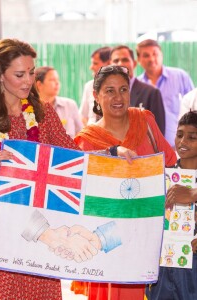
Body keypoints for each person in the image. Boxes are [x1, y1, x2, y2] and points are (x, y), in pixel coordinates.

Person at [0, 38, 99, 299]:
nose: (28, 80)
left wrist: (113, 154)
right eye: (19, 74)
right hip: (4, 227)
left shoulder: (42, 113)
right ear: (0, 76)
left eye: (31, 72)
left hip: (45, 229)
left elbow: (74, 158)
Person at [73, 65, 177, 300]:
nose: (117, 97)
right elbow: (80, 189)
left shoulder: (146, 121)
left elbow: (170, 166)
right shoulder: (87, 141)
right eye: (109, 91)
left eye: (123, 89)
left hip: (154, 235)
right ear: (96, 96)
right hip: (112, 244)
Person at [146, 110, 197, 299]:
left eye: (192, 137)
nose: (183, 142)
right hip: (163, 266)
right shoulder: (162, 176)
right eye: (179, 135)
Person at [136, 39, 194, 147]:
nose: (151, 59)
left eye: (155, 54)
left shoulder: (180, 76)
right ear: (138, 60)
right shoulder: (137, 87)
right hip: (149, 150)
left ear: (161, 55)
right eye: (146, 55)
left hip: (180, 147)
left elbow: (194, 108)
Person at [110, 45, 165, 135]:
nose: (120, 64)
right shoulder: (105, 94)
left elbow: (158, 134)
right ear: (110, 64)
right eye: (116, 61)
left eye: (125, 60)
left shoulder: (151, 93)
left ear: (134, 63)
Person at [35, 66, 83, 138]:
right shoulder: (29, 108)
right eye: (52, 80)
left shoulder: (70, 105)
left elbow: (81, 133)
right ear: (39, 85)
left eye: (58, 80)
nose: (57, 83)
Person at [79, 47, 111, 125]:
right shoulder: (89, 86)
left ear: (109, 64)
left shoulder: (122, 87)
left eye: (95, 63)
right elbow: (83, 116)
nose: (91, 67)